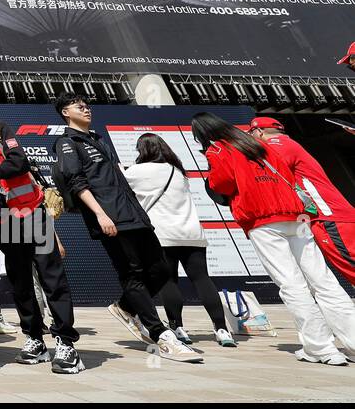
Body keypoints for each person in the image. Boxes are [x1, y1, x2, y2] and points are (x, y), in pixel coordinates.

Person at [195, 112, 355, 365]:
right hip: (296, 216)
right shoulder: (261, 145)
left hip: (263, 220)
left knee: (292, 285)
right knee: (324, 282)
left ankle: (321, 349)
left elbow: (222, 185)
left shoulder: (217, 148)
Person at [52, 93, 201, 362]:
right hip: (110, 219)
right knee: (131, 274)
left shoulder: (99, 140)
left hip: (135, 216)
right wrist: (100, 215)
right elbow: (76, 182)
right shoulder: (66, 142)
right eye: (79, 106)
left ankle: (124, 306)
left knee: (162, 269)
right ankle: (162, 335)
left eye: (87, 105)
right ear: (65, 112)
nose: (86, 109)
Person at [0, 90, 81, 371]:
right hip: (4, 221)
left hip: (33, 213)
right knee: (20, 283)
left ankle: (66, 343)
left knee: (51, 278)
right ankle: (34, 338)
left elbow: (18, 161)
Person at [124, 132, 235, 348]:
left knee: (169, 281)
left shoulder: (136, 171)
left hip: (162, 234)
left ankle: (177, 326)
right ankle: (221, 329)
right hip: (192, 232)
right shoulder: (178, 171)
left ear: (142, 150)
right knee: (202, 279)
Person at [249, 117, 355, 283]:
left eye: (251, 133)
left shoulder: (278, 145)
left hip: (328, 216)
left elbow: (265, 173)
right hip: (331, 216)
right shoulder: (288, 143)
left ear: (259, 132)